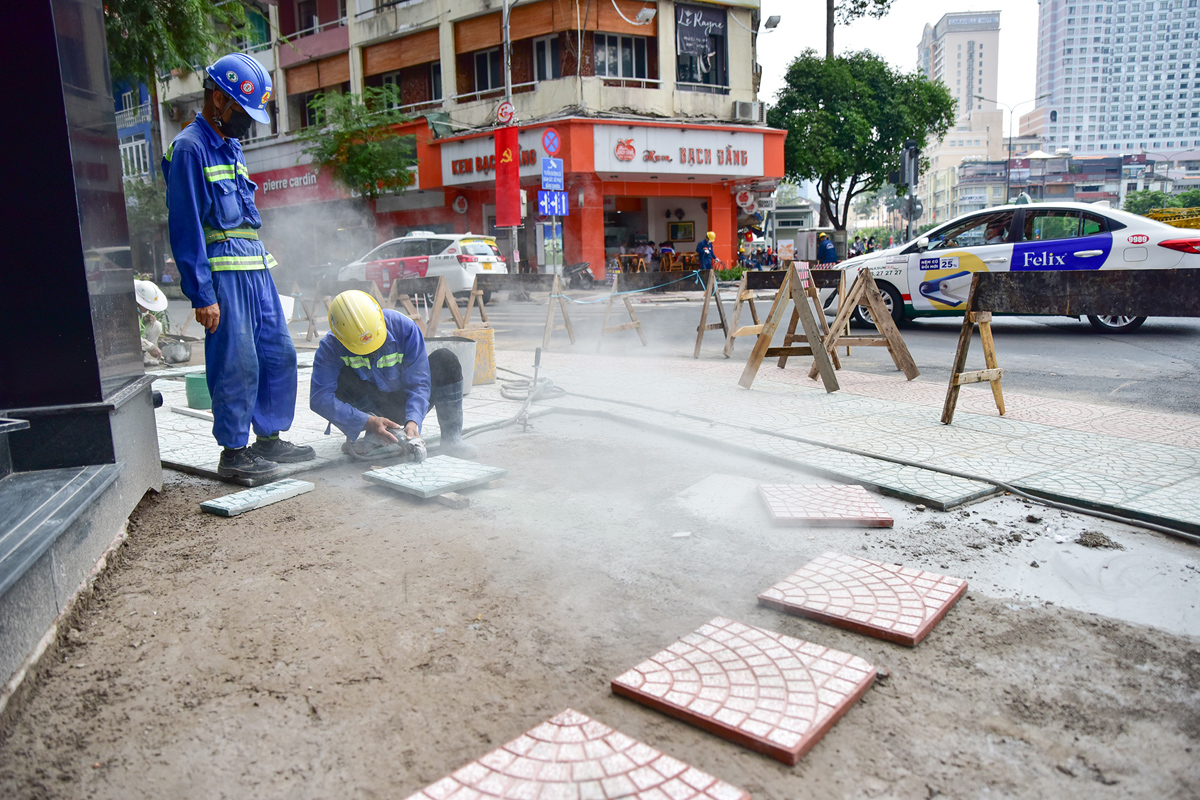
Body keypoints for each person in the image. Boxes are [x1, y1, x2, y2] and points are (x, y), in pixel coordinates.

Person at [162, 52, 315, 482]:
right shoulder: (189, 149)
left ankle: (269, 439)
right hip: (224, 275)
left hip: (256, 270)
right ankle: (234, 451)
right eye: (242, 113)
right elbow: (186, 226)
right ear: (217, 100)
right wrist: (202, 293)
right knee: (237, 361)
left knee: (277, 354)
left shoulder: (232, 147)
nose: (246, 123)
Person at [310, 290, 478, 460]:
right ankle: (375, 433)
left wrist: (413, 420)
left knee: (445, 360)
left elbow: (419, 382)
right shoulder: (331, 346)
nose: (372, 351)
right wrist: (366, 421)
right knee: (339, 378)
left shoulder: (405, 328)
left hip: (401, 402)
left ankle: (452, 440)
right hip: (368, 409)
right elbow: (320, 398)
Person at [135, 279, 168, 367]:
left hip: (138, 340)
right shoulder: (126, 313)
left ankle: (142, 357)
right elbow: (133, 337)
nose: (147, 309)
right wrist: (151, 347)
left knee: (156, 325)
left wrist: (145, 318)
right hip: (126, 343)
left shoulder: (139, 309)